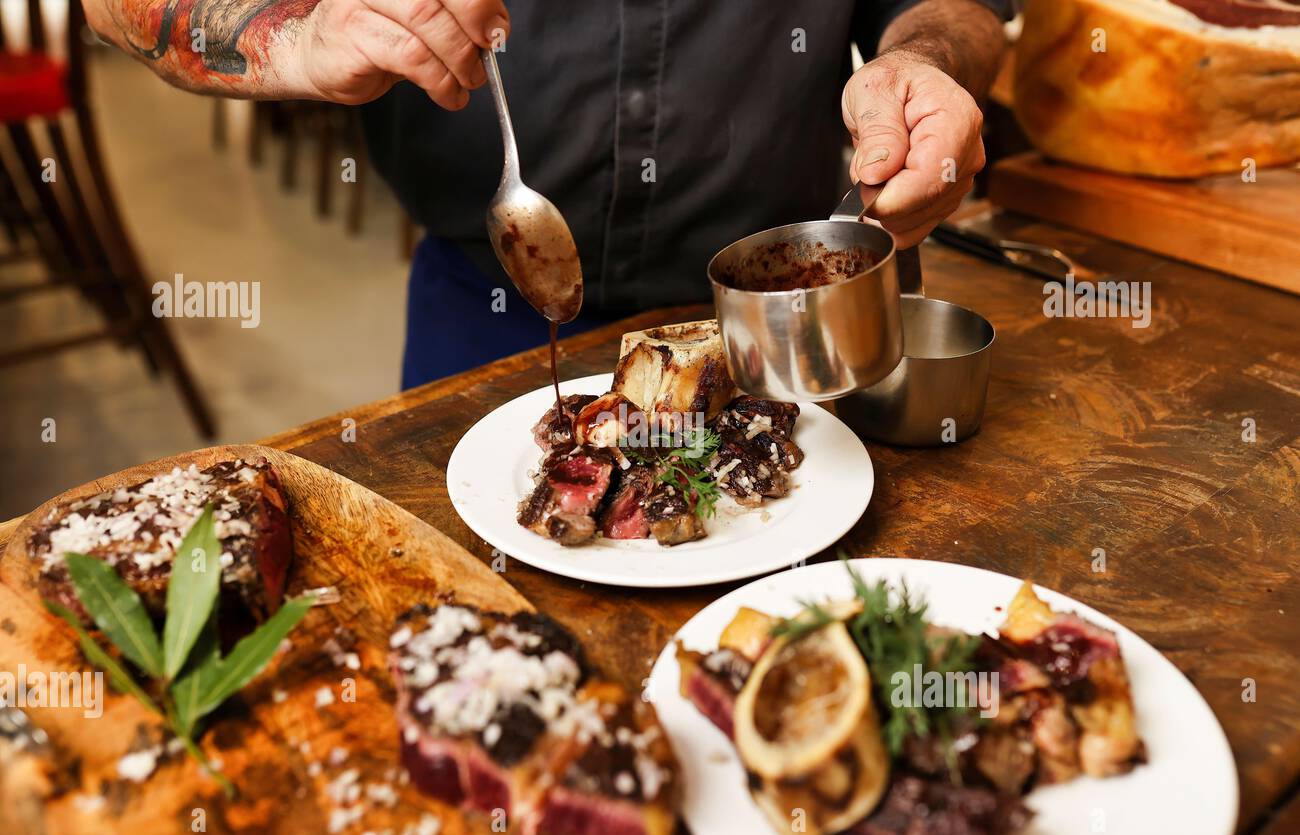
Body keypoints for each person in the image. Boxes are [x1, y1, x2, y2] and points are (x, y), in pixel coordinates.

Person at [83, 0, 1009, 387]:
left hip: (792, 322)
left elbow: (956, 9)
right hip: (486, 312)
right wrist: (294, 32)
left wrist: (922, 63)